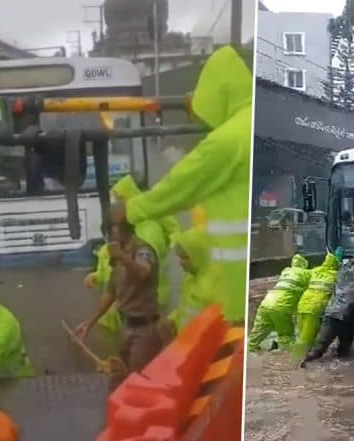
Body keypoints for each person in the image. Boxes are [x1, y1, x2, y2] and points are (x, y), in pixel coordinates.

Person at [107, 46, 252, 326]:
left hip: (237, 285)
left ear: (217, 94)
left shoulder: (227, 140)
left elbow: (180, 185)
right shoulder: (247, 125)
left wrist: (131, 208)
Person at [76, 203, 164, 387]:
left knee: (138, 382)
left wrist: (122, 256)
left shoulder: (143, 250)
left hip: (145, 328)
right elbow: (111, 292)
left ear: (120, 230)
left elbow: (143, 272)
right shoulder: (117, 254)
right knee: (119, 378)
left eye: (111, 230)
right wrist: (90, 323)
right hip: (126, 325)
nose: (110, 237)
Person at [111, 175, 181, 309]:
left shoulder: (148, 229)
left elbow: (143, 269)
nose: (117, 205)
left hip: (149, 296)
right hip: (147, 294)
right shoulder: (138, 224)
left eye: (120, 199)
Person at [300, 255, 354, 367]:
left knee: (318, 348)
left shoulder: (341, 273)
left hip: (331, 313)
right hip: (347, 316)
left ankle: (302, 363)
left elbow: (346, 265)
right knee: (344, 349)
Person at [247, 254, 310, 352]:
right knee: (286, 335)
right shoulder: (306, 273)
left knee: (258, 331)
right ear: (304, 264)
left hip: (266, 302)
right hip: (281, 306)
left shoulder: (286, 271)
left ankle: (250, 348)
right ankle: (288, 354)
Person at [168, 227, 216, 334]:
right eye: (179, 257)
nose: (180, 262)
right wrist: (173, 319)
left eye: (185, 258)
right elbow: (185, 308)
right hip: (186, 341)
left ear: (198, 256)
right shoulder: (189, 277)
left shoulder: (213, 288)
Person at [295, 252, 340, 356]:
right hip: (315, 308)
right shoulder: (336, 275)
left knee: (301, 334)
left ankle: (295, 358)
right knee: (307, 338)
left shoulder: (315, 271)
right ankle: (297, 362)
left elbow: (301, 275)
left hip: (302, 304)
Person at [84, 220, 122, 333]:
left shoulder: (129, 250)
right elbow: (101, 272)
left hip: (123, 304)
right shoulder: (103, 251)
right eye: (107, 236)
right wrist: (93, 276)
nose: (110, 240)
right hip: (108, 304)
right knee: (106, 333)